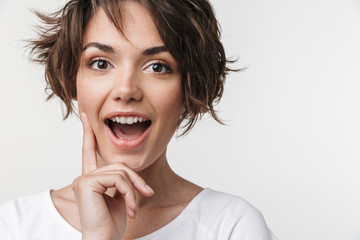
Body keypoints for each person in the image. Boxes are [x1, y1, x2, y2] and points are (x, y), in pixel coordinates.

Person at [0, 0, 278, 239]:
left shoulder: (231, 228)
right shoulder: (15, 226)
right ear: (72, 79)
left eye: (157, 67)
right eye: (101, 63)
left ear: (189, 87)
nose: (126, 90)